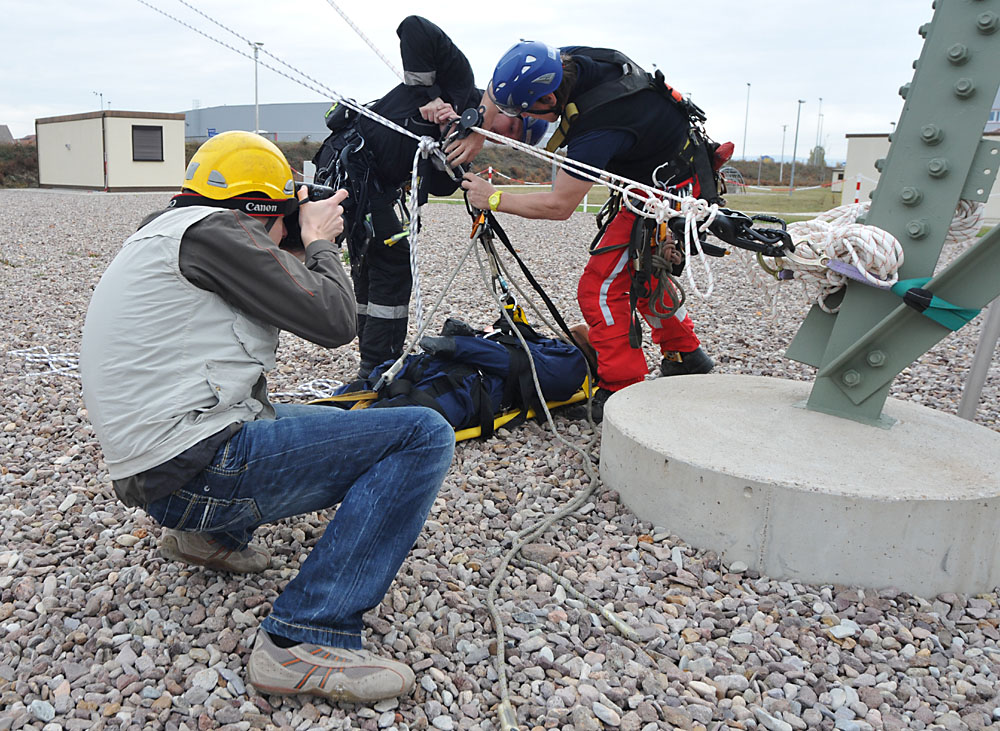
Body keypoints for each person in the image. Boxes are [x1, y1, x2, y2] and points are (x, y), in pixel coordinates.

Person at [79, 131, 455, 702]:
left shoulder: (168, 232)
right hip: (194, 471)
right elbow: (336, 321)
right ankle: (304, 635)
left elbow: (273, 288)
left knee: (284, 414)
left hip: (156, 471)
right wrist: (320, 241)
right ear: (260, 211)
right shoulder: (219, 234)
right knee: (422, 435)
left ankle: (208, 537)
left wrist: (290, 240)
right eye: (283, 216)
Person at [450, 41, 719, 420]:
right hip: (668, 174)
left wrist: (493, 197)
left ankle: (621, 390)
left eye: (526, 112)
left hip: (666, 191)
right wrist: (479, 126)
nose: (523, 121)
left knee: (600, 288)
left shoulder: (598, 125)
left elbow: (560, 205)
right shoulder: (565, 61)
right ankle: (685, 354)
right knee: (644, 276)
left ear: (549, 98)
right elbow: (498, 89)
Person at [314, 15, 548, 379]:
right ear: (508, 107)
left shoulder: (466, 135)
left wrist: (449, 147)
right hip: (354, 164)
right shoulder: (459, 82)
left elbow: (439, 187)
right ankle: (378, 366)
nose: (503, 136)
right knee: (392, 265)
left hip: (371, 183)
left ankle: (372, 363)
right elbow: (414, 27)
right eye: (513, 127)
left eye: (512, 141)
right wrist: (432, 97)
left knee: (373, 262)